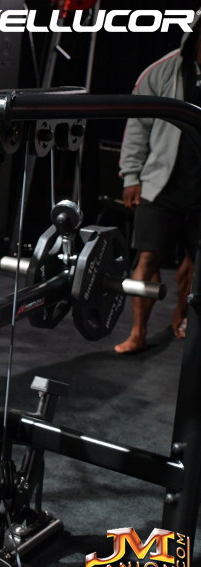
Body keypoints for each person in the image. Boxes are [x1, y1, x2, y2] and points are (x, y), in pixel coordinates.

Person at [115, 15, 201, 354]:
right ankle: (138, 332)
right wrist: (131, 176)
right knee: (148, 257)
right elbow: (138, 126)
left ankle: (182, 316)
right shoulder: (161, 71)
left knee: (196, 263)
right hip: (161, 183)